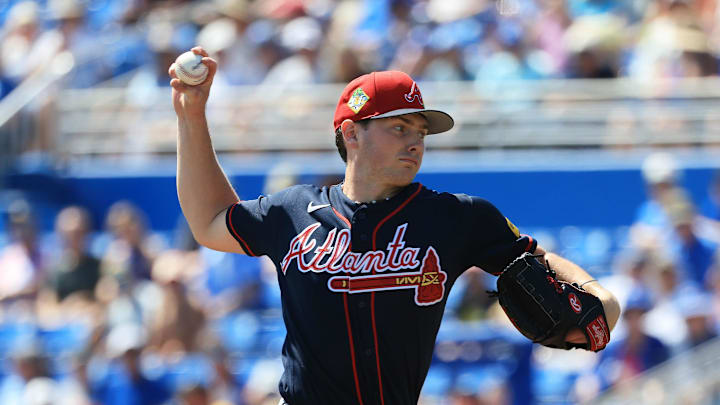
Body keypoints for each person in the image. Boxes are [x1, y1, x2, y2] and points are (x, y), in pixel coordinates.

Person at [169, 47, 621, 405]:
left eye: (420, 132)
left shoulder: (457, 217)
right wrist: (191, 117)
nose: (415, 143)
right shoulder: (293, 212)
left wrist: (596, 294)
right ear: (352, 134)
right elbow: (209, 221)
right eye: (399, 128)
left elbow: (536, 261)